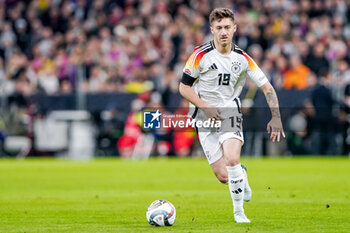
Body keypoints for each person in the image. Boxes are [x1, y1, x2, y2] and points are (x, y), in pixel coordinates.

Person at [179, 8, 285, 223]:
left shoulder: (243, 58)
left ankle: (239, 213)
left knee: (232, 158)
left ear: (235, 28)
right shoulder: (200, 55)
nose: (223, 32)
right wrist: (205, 106)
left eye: (227, 27)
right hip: (203, 115)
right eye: (219, 28)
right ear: (212, 30)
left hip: (229, 110)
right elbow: (184, 88)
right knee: (223, 176)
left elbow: (267, 88)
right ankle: (241, 175)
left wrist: (276, 117)